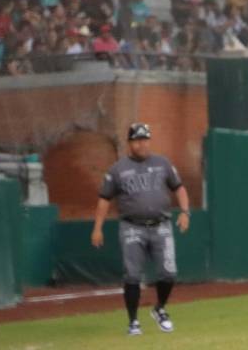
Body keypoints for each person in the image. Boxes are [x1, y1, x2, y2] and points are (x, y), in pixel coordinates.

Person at [91, 123, 190, 336]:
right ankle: (133, 322)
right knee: (133, 276)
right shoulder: (118, 169)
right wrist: (97, 228)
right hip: (132, 227)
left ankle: (160, 308)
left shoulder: (162, 163)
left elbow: (179, 187)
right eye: (137, 140)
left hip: (161, 225)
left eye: (145, 139)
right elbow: (104, 199)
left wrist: (185, 212)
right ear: (129, 143)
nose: (142, 144)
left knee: (168, 273)